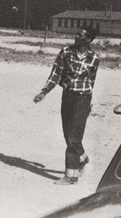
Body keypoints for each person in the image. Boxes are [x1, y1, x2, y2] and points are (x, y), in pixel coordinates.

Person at [33, 26, 100, 185]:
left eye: (80, 35)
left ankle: (71, 176)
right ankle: (82, 158)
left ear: (88, 39)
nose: (76, 36)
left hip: (83, 98)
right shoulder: (65, 52)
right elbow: (55, 74)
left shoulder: (94, 58)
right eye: (77, 34)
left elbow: (92, 81)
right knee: (68, 134)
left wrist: (88, 102)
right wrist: (44, 92)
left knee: (73, 137)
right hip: (68, 96)